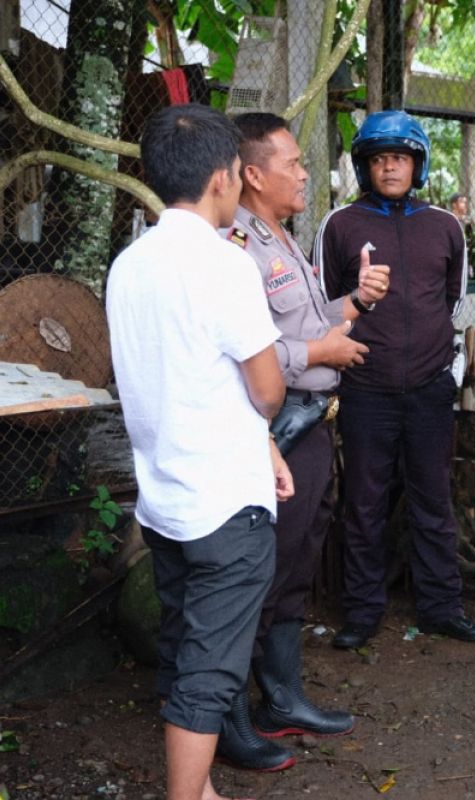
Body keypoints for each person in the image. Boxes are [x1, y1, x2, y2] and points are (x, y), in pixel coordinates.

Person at [107, 103, 291, 800]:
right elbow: (267, 388)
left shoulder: (130, 265)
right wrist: (263, 426)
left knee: (186, 646)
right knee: (212, 665)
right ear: (223, 179)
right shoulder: (223, 266)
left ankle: (202, 788)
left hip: (163, 499)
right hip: (224, 503)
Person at [211, 113, 391, 771]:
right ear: (254, 174)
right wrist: (323, 348)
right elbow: (249, 350)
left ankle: (280, 696)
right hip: (273, 433)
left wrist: (356, 304)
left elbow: (310, 321)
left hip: (312, 424)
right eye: (293, 161)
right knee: (258, 571)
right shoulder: (237, 247)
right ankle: (226, 716)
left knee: (295, 561)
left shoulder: (282, 239)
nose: (306, 172)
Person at [315, 111, 475, 649]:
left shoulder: (444, 225)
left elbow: (452, 301)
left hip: (430, 387)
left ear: (418, 163)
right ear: (365, 166)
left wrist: (431, 360)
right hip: (366, 387)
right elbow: (324, 308)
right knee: (364, 503)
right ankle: (362, 613)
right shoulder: (340, 224)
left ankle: (442, 606)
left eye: (399, 157)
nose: (389, 167)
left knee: (433, 498)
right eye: (378, 159)